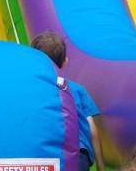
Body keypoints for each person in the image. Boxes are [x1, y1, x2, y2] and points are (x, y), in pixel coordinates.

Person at [31, 33, 104, 170]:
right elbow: (92, 129)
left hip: (45, 152)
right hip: (77, 154)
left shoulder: (32, 91)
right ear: (65, 61)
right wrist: (101, 166)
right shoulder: (77, 90)